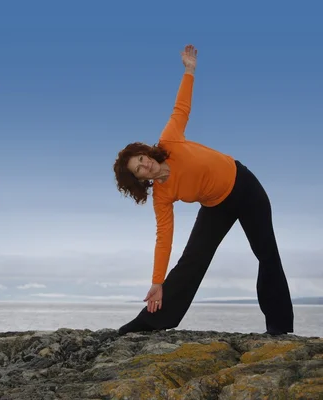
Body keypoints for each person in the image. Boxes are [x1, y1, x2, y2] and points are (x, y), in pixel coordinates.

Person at [112, 44, 294, 336]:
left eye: (142, 159)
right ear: (139, 179)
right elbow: (164, 238)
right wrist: (157, 281)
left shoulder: (170, 141)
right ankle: (152, 321)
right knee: (192, 260)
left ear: (147, 153)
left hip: (245, 187)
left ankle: (279, 327)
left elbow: (181, 108)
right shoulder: (162, 195)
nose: (144, 166)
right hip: (215, 206)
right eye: (138, 169)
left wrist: (189, 70)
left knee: (267, 254)